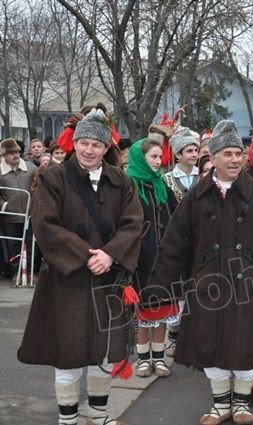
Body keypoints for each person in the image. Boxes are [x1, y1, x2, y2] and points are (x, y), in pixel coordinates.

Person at [146, 119, 253, 425]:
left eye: (237, 154)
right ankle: (220, 404)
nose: (234, 159)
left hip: (250, 284)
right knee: (210, 345)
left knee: (246, 345)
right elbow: (175, 241)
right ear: (212, 158)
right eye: (226, 154)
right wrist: (159, 284)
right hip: (207, 283)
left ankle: (241, 404)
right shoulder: (196, 195)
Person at [17, 108, 143, 425]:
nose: (89, 150)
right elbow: (45, 225)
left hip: (107, 278)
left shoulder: (122, 181)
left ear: (106, 148)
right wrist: (85, 254)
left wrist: (110, 255)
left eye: (96, 145)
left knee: (103, 351)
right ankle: (68, 419)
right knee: (68, 353)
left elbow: (134, 224)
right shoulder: (52, 177)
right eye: (84, 142)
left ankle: (98, 416)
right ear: (75, 143)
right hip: (66, 278)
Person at [126, 138, 179, 379]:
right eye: (153, 157)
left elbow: (177, 219)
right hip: (139, 260)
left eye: (160, 157)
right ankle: (143, 358)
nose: (159, 162)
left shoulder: (163, 188)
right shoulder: (128, 187)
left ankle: (158, 357)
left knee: (163, 311)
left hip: (164, 260)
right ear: (141, 158)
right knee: (143, 313)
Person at [0, 138, 37, 280]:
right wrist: (5, 206)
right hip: (10, 216)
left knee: (30, 244)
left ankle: (31, 271)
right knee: (13, 246)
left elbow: (39, 187)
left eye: (17, 152)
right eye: (11, 153)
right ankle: (16, 272)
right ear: (4, 155)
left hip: (30, 214)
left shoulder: (31, 168)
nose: (15, 155)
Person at [163, 127, 200, 203]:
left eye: (196, 150)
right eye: (189, 151)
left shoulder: (203, 175)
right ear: (178, 155)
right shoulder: (166, 180)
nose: (195, 154)